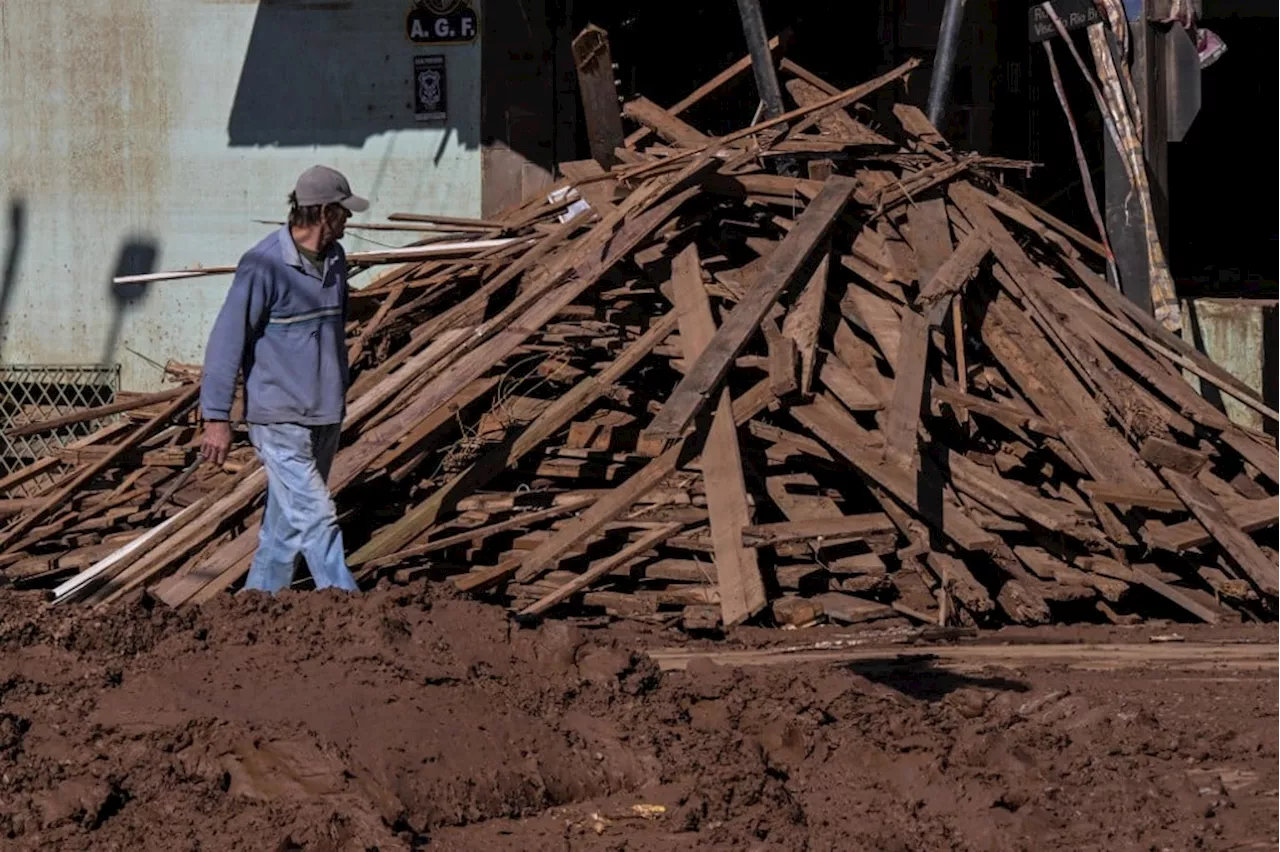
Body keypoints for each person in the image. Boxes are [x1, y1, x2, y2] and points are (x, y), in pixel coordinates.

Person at [198, 165, 369, 594]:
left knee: (285, 527)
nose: (349, 220)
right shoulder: (264, 266)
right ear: (325, 212)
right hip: (278, 418)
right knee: (316, 514)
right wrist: (216, 416)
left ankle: (255, 603)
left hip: (325, 412)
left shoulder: (334, 260)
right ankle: (347, 604)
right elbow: (226, 340)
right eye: (344, 212)